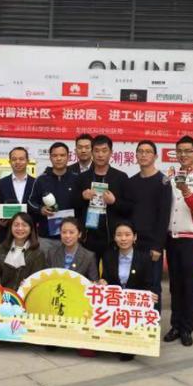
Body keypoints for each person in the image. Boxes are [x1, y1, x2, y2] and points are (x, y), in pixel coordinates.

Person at [163, 136, 193, 346]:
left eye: (188, 151)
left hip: (191, 239)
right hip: (171, 237)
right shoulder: (171, 175)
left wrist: (186, 191)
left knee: (189, 285)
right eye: (180, 151)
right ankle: (175, 325)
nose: (183, 155)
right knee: (174, 285)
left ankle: (186, 328)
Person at [101, 221, 157, 361]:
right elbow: (106, 278)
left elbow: (149, 284)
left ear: (135, 237)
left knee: (127, 351)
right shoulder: (108, 256)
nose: (123, 238)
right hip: (115, 305)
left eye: (127, 235)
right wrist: (103, 282)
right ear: (114, 237)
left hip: (133, 306)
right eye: (119, 235)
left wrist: (151, 295)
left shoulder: (144, 258)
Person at [73, 135, 131, 267]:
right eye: (97, 151)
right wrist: (82, 197)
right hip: (87, 238)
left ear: (111, 153)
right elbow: (73, 205)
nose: (100, 155)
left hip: (112, 238)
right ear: (92, 153)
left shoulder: (121, 177)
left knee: (111, 275)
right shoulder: (82, 178)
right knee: (87, 275)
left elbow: (129, 208)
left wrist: (114, 202)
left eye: (104, 151)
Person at [127, 140, 171, 310]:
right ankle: (135, 320)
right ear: (136, 155)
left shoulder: (163, 182)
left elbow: (164, 216)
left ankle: (153, 320)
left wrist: (158, 246)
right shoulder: (131, 182)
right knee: (133, 283)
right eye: (140, 151)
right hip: (132, 243)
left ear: (155, 156)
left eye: (148, 151)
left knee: (153, 285)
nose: (143, 155)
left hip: (152, 245)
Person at [28, 142, 77, 255]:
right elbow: (31, 202)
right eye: (55, 155)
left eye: (62, 155)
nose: (58, 158)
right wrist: (40, 209)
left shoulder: (76, 179)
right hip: (46, 238)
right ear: (50, 157)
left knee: (70, 266)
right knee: (45, 266)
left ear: (68, 157)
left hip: (70, 236)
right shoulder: (41, 180)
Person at [0, 212, 46, 290]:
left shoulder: (38, 253)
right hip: (5, 294)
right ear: (11, 227)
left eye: (24, 225)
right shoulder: (2, 248)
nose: (20, 228)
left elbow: (38, 282)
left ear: (31, 229)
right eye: (16, 225)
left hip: (27, 294)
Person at [0, 147, 35, 244]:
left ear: (27, 161)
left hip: (30, 237)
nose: (18, 162)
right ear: (9, 162)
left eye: (21, 159)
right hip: (6, 235)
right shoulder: (1, 183)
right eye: (14, 159)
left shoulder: (36, 183)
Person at [47, 217, 99, 281]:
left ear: (79, 234)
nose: (67, 236)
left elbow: (94, 282)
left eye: (71, 232)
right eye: (64, 232)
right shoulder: (52, 253)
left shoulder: (89, 256)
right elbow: (46, 277)